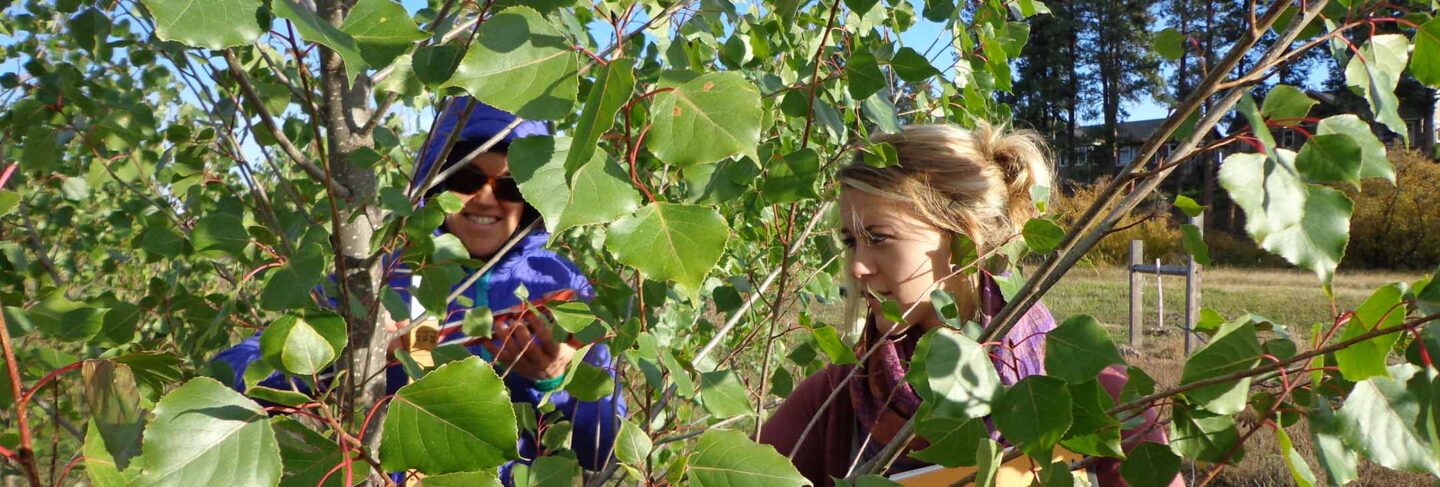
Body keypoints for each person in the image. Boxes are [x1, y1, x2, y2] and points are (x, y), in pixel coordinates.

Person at [215, 98, 624, 482]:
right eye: (465, 177)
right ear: (435, 181)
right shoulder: (380, 272)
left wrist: (562, 382)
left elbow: (603, 450)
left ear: (535, 197)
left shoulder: (558, 283)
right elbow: (231, 376)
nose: (485, 199)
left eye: (511, 186)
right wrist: (361, 358)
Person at [757, 123, 1176, 486]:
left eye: (878, 237)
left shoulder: (1098, 396)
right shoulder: (836, 400)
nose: (858, 267)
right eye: (851, 241)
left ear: (962, 237)